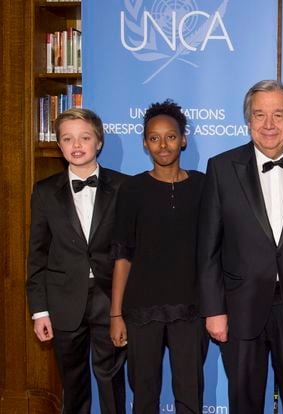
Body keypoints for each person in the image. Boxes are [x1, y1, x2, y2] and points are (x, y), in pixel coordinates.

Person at [197, 80, 283, 414]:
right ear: (248, 121)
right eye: (259, 115)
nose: (269, 125)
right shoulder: (221, 167)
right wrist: (214, 309)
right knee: (243, 401)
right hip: (240, 306)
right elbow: (208, 247)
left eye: (278, 114)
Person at [109, 100, 207, 413]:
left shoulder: (204, 185)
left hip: (192, 308)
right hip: (141, 309)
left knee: (190, 393)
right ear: (144, 143)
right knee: (144, 395)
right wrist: (115, 315)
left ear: (184, 139)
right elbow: (123, 256)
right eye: (154, 138)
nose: (163, 145)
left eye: (170, 136)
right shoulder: (132, 189)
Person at [26, 108, 126, 413]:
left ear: (99, 141)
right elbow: (37, 253)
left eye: (84, 137)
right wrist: (39, 311)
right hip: (63, 300)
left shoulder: (124, 187)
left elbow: (130, 252)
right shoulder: (44, 192)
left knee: (110, 378)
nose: (77, 145)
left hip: (110, 300)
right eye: (67, 139)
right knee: (73, 382)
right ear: (59, 145)